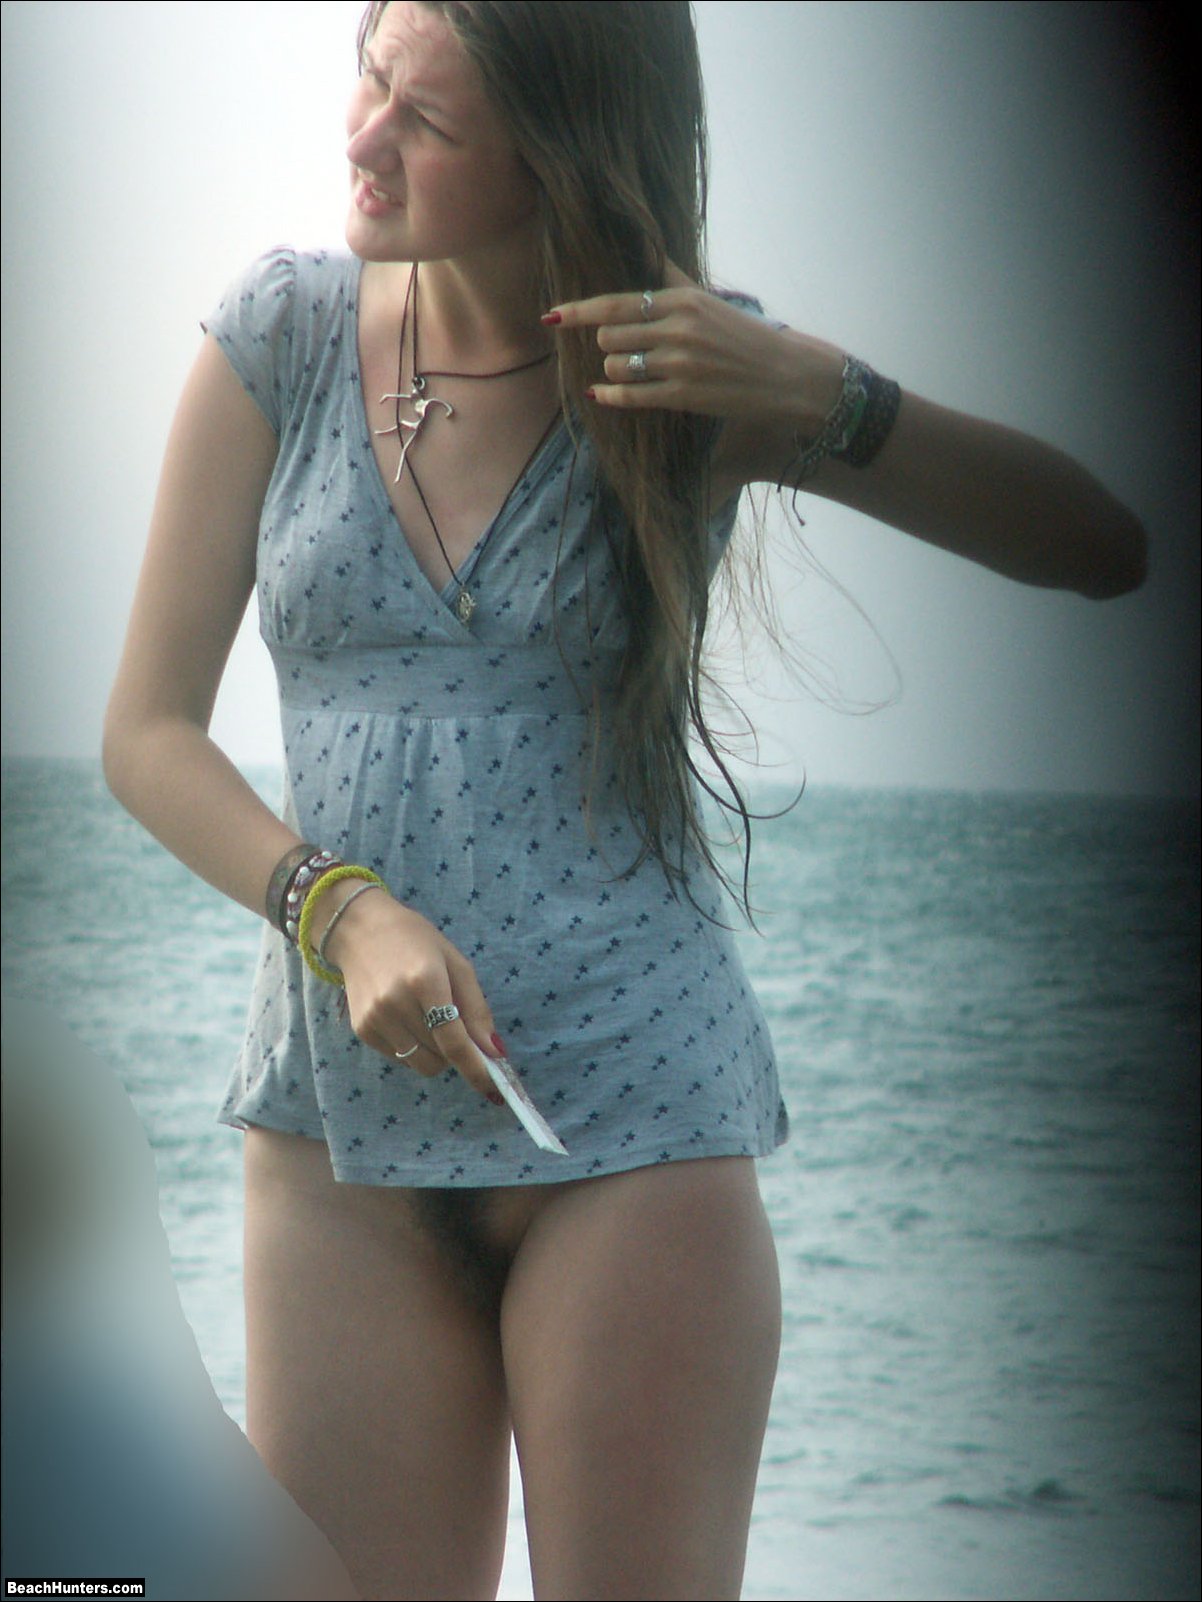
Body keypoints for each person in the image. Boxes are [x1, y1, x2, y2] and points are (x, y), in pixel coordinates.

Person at [102, 3, 1146, 1598]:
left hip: (632, 1131)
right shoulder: (281, 336)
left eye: (427, 121)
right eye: (370, 79)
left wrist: (823, 391)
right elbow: (147, 732)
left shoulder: (687, 376)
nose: (363, 138)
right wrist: (339, 906)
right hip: (336, 1132)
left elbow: (1097, 547)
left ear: (559, 157)